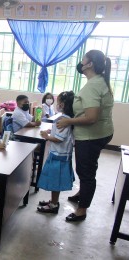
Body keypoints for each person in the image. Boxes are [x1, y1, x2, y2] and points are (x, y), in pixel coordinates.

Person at [57, 50, 114, 222]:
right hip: (101, 132)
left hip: (91, 136)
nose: (80, 62)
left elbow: (91, 118)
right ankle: (82, 193)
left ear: (90, 64)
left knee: (85, 171)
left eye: (84, 59)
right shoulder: (99, 81)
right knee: (87, 168)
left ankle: (82, 210)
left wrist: (68, 122)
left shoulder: (93, 85)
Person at [36, 91, 75, 214]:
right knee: (55, 181)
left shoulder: (63, 119)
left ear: (62, 104)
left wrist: (46, 136)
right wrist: (51, 130)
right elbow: (59, 133)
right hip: (60, 154)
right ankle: (53, 201)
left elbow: (59, 139)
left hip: (59, 156)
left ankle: (53, 205)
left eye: (58, 102)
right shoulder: (67, 118)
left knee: (55, 182)